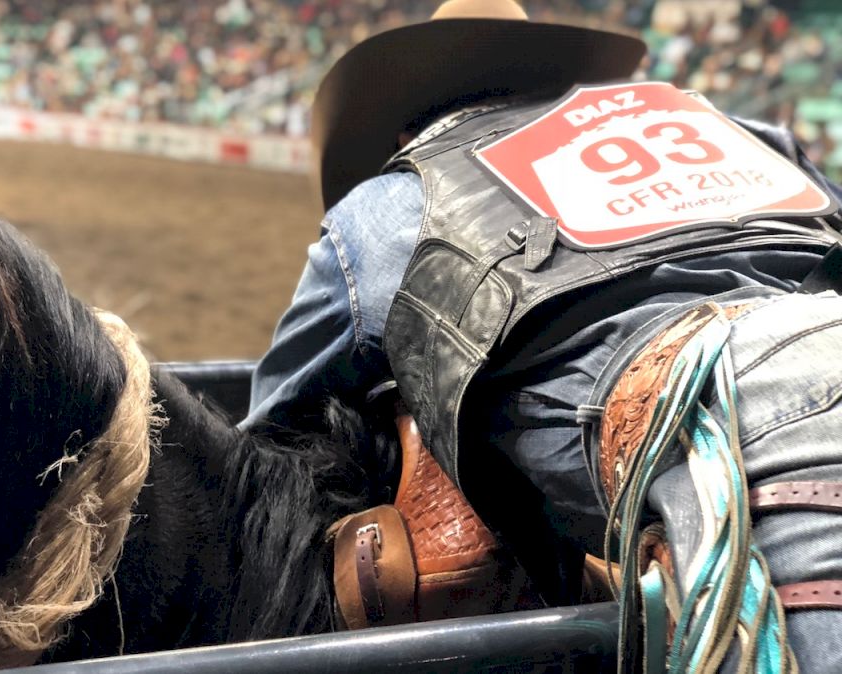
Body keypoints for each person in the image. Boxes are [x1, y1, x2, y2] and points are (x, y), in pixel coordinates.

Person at [246, 0, 842, 670]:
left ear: (408, 116)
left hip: (744, 424)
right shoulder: (740, 131)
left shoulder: (394, 201)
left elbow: (271, 436)